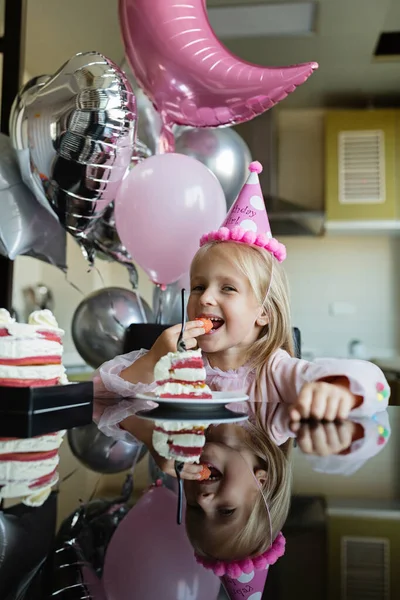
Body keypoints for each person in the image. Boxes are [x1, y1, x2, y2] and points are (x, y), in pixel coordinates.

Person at [93, 161, 390, 597]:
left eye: (226, 289)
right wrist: (154, 361)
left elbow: (374, 382)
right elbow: (102, 396)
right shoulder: (176, 360)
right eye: (198, 286)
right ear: (260, 482)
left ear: (263, 314)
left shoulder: (276, 372)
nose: (205, 501)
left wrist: (335, 390)